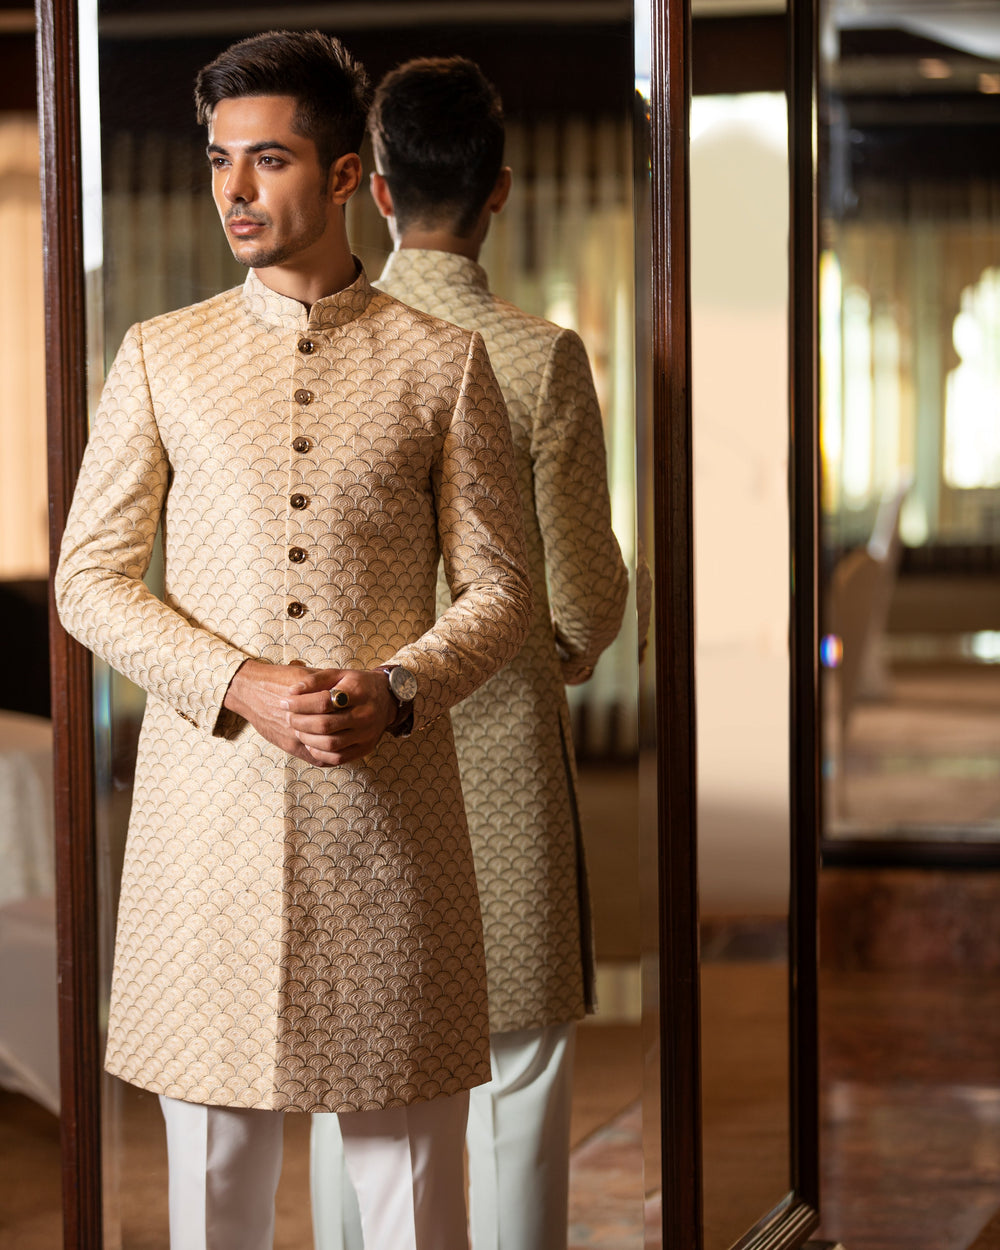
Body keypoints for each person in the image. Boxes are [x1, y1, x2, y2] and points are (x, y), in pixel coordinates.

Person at [54, 30, 533, 1250]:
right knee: (212, 1202)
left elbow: (502, 591)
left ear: (340, 176)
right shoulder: (162, 356)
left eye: (266, 161)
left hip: (391, 835)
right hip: (202, 839)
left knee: (415, 1198)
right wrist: (237, 681)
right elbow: (89, 581)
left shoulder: (446, 362)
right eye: (221, 160)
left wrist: (405, 683)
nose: (235, 190)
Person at [310, 57, 629, 1250]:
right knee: (514, 1073)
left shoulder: (319, 345)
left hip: (346, 754)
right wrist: (550, 644)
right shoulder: (536, 357)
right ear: (499, 191)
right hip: (494, 759)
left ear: (375, 192)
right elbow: (585, 601)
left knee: (358, 1062)